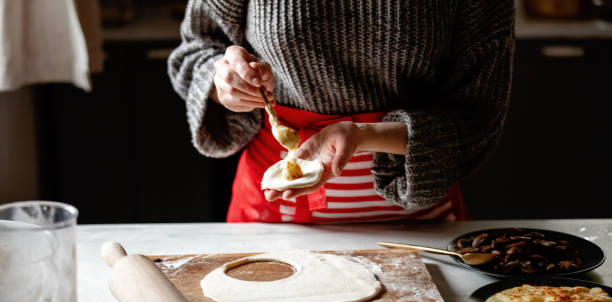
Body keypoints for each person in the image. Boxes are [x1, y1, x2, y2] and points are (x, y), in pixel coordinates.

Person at [168, 1, 514, 223]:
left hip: (418, 226)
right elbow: (196, 50)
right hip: (272, 218)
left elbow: (478, 111)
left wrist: (364, 136)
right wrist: (224, 80)